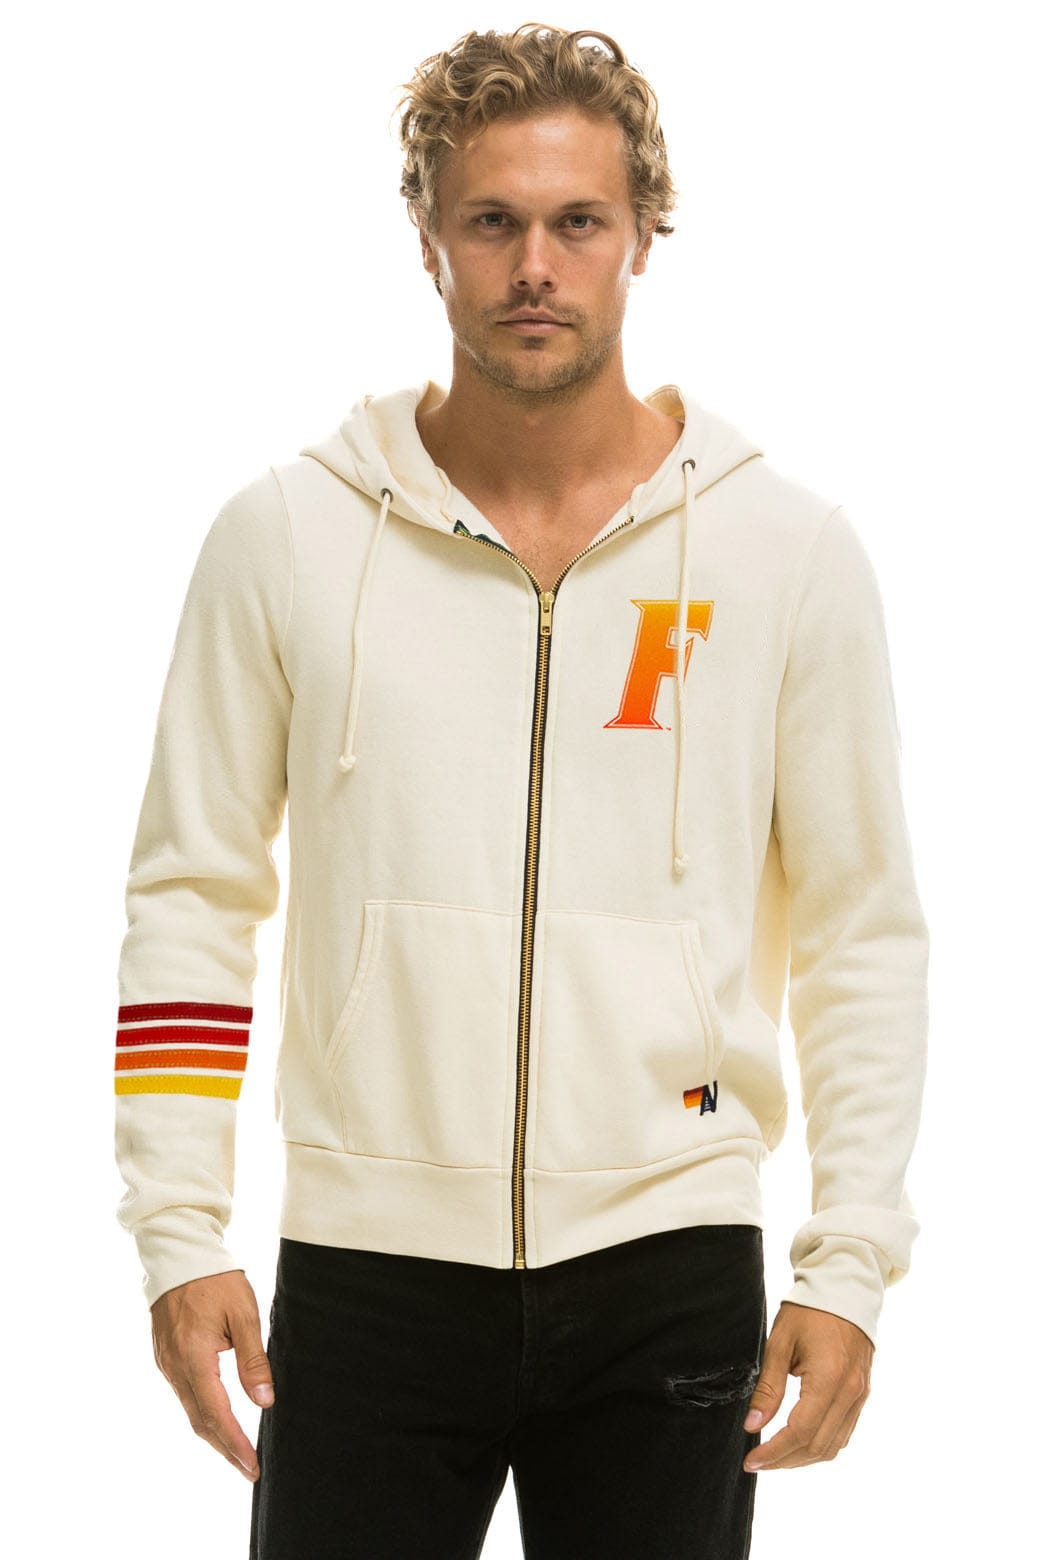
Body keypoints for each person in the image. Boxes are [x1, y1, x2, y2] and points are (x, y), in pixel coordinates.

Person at [112, 22, 930, 1559]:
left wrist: (850, 1260)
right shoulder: (287, 538)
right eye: (492, 221)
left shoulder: (785, 556)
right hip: (367, 1266)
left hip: (672, 1258)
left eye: (578, 221)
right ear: (428, 237)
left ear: (642, 237)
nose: (535, 266)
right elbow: (193, 895)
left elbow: (862, 932)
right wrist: (176, 1225)